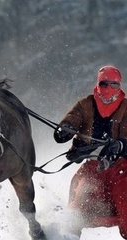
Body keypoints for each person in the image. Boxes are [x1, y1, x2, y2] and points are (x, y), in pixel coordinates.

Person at [53, 65, 127, 239]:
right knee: (77, 204)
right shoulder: (85, 104)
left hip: (122, 168)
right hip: (92, 168)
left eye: (114, 84)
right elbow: (71, 120)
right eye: (104, 84)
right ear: (98, 84)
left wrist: (121, 146)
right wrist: (65, 129)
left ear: (120, 85)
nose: (109, 89)